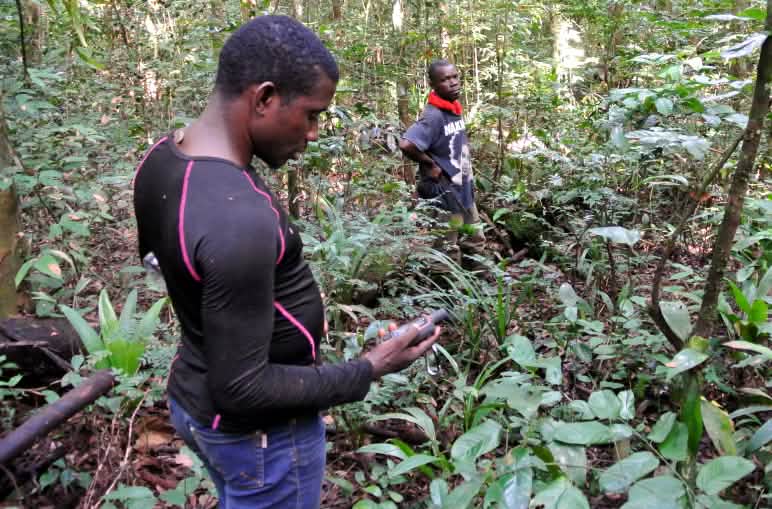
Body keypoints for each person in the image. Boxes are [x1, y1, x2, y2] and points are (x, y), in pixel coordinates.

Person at [133, 16, 439, 509]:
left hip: (192, 402)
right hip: (259, 438)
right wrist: (369, 367)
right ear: (265, 98)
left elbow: (166, 266)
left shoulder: (161, 161)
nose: (314, 133)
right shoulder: (240, 220)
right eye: (312, 114)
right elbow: (242, 388)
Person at [399, 60, 485, 270]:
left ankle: (479, 288)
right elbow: (406, 144)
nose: (453, 83)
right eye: (445, 79)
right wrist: (429, 164)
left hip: (463, 187)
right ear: (433, 84)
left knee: (475, 239)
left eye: (455, 77)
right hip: (447, 193)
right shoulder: (433, 115)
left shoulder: (453, 108)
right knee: (447, 247)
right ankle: (447, 296)